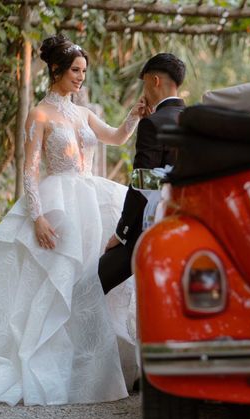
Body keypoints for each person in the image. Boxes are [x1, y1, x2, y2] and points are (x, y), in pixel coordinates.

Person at [0, 34, 144, 406]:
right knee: (60, 284)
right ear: (57, 70)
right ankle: (56, 370)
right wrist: (37, 217)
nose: (81, 78)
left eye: (84, 71)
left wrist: (135, 114)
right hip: (58, 202)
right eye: (76, 71)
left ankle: (94, 369)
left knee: (93, 277)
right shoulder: (39, 114)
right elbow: (30, 170)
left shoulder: (82, 113)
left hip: (90, 196)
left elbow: (115, 138)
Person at [98, 53, 186, 294]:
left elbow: (141, 181)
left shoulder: (152, 124)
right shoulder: (192, 119)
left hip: (146, 229)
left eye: (144, 81)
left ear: (154, 81)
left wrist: (121, 232)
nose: (143, 89)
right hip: (180, 224)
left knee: (93, 286)